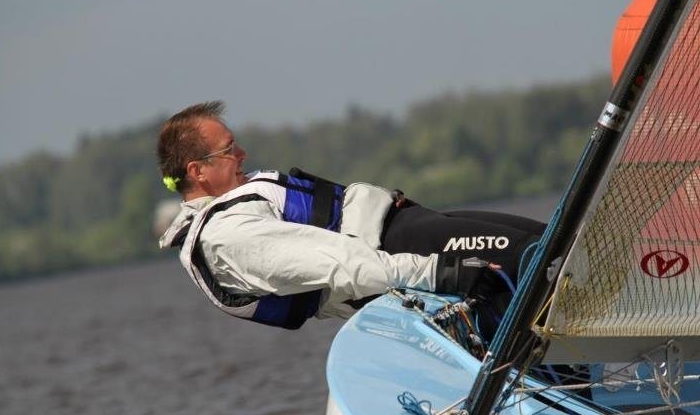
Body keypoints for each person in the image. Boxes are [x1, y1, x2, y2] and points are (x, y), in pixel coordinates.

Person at [157, 101, 544, 337]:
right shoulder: (229, 237)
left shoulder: (233, 205)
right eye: (228, 150)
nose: (242, 153)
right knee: (534, 257)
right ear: (198, 171)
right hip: (402, 250)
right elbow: (342, 263)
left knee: (546, 242)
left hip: (408, 228)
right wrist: (440, 273)